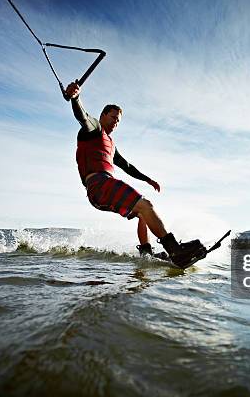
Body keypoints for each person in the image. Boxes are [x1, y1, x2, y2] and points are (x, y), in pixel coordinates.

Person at [65, 81, 203, 268]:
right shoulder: (94, 129)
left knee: (142, 213)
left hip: (102, 190)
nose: (116, 122)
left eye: (118, 120)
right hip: (99, 183)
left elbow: (127, 166)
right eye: (113, 117)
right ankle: (175, 251)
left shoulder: (110, 144)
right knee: (146, 205)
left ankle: (146, 253)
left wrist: (148, 179)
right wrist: (75, 97)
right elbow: (82, 116)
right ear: (103, 115)